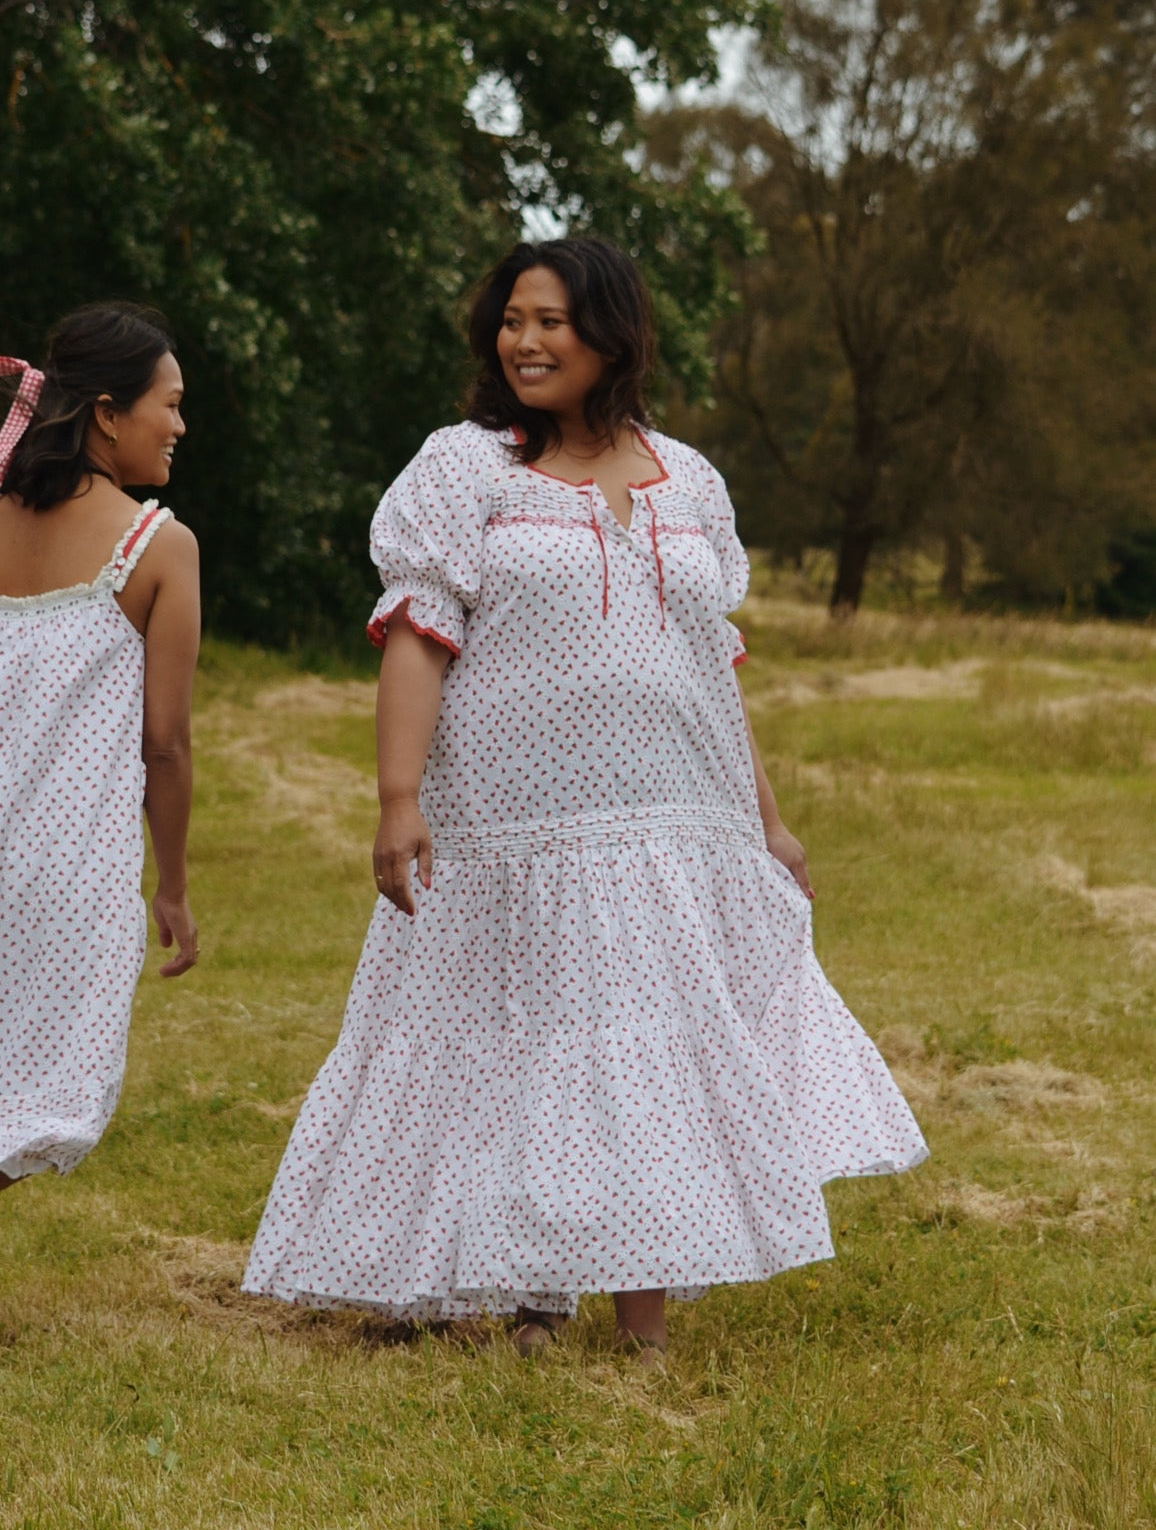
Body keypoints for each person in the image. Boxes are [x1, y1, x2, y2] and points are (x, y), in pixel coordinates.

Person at [242, 237, 927, 1358]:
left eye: (550, 322)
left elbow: (710, 665)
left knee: (644, 1056)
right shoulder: (464, 469)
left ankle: (639, 1327)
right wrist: (398, 797)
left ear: (612, 334)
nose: (524, 341)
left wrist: (765, 819)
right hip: (511, 830)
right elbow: (418, 635)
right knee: (514, 1050)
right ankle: (508, 1282)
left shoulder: (690, 479)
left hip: (674, 825)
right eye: (512, 321)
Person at [0, 303, 201, 1190]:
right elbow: (166, 745)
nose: (181, 426)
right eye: (172, 404)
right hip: (67, 876)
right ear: (109, 414)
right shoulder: (160, 548)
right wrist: (174, 885)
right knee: (41, 1102)